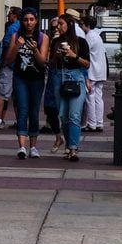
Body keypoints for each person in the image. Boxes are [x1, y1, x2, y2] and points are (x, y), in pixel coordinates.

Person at [5, 7, 49, 159]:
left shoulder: (43, 37)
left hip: (36, 79)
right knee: (22, 110)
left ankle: (34, 147)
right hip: (20, 78)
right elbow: (8, 60)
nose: (29, 23)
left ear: (36, 21)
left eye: (31, 19)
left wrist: (35, 50)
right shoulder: (16, 36)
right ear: (21, 21)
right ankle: (22, 147)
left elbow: (43, 62)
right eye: (25, 19)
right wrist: (17, 45)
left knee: (34, 111)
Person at [53, 15, 90, 161]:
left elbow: (87, 64)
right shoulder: (55, 42)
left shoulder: (80, 42)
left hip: (76, 78)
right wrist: (57, 56)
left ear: (69, 24)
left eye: (61, 24)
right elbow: (51, 63)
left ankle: (74, 148)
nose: (58, 27)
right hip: (60, 77)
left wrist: (73, 55)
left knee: (74, 115)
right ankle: (68, 146)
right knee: (63, 116)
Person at [0, 6, 21, 127]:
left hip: (9, 65)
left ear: (15, 15)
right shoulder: (22, 27)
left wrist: (3, 63)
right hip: (20, 66)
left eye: (10, 14)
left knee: (2, 93)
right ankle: (20, 121)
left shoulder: (12, 28)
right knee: (18, 94)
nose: (8, 16)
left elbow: (6, 46)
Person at [80, 15, 107, 132]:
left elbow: (84, 52)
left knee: (90, 97)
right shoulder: (97, 36)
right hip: (101, 70)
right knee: (98, 97)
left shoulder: (89, 37)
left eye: (82, 24)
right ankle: (99, 123)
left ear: (87, 25)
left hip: (92, 71)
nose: (81, 26)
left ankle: (91, 124)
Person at [43, 15, 65, 152]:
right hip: (53, 76)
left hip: (66, 77)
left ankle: (71, 144)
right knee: (50, 108)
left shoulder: (72, 40)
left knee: (65, 110)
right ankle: (58, 136)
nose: (56, 29)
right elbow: (49, 61)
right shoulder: (52, 41)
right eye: (53, 27)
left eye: (58, 25)